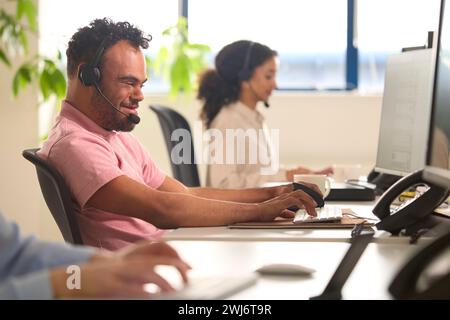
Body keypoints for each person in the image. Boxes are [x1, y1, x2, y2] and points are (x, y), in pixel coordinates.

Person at [38, 18, 320, 251]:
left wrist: (275, 193)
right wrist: (261, 211)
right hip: (137, 281)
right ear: (87, 76)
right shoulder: (76, 145)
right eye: (128, 82)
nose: (139, 96)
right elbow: (163, 208)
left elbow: (185, 194)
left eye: (142, 84)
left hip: (168, 255)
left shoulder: (116, 135)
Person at [198, 40, 333, 189]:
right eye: (269, 76)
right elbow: (223, 185)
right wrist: (284, 177)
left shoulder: (251, 118)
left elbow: (258, 171)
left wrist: (298, 176)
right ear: (244, 78)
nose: (275, 85)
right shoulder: (229, 121)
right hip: (243, 211)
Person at [0, 211, 190, 299]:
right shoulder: (77, 144)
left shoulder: (122, 141)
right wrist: (65, 282)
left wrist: (108, 261)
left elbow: (16, 252)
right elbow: (162, 206)